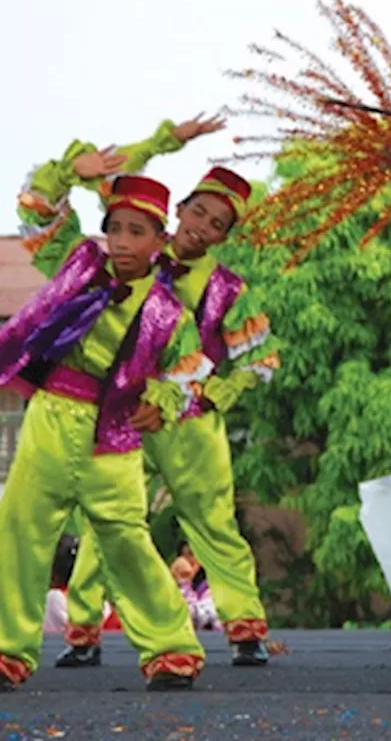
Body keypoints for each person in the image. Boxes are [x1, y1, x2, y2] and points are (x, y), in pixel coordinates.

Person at [0, 122, 216, 692]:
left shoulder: (169, 308)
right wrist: (73, 173)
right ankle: (8, 650)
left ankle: (171, 647)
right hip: (49, 417)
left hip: (112, 434)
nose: (120, 240)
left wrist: (164, 402)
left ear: (158, 239)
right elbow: (38, 209)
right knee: (19, 530)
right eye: (114, 228)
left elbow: (190, 370)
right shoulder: (74, 266)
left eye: (135, 231)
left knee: (127, 541)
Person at [60, 163, 281, 669]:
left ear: (225, 236)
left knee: (211, 522)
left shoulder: (229, 289)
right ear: (178, 211)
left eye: (217, 223)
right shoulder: (134, 258)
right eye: (198, 212)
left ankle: (244, 630)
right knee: (106, 520)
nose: (202, 226)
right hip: (126, 417)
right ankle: (83, 630)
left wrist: (223, 390)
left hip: (191, 423)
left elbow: (262, 359)